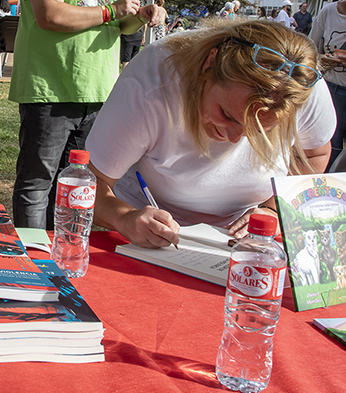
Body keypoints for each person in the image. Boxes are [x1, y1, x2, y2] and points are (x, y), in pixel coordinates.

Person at [85, 20, 335, 249]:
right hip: (148, 230)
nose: (234, 138)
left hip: (249, 237)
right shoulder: (153, 82)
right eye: (227, 115)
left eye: (259, 131)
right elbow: (89, 182)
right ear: (209, 65)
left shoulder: (300, 87)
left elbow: (315, 154)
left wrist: (273, 209)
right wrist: (124, 217)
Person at [8, 0, 166, 230]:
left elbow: (121, 25)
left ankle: (63, 249)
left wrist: (140, 16)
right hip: (50, 87)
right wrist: (111, 10)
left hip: (97, 91)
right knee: (37, 184)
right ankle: (35, 252)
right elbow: (49, 15)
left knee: (76, 186)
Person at [310, 0, 346, 171]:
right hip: (332, 91)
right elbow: (309, 49)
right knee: (331, 149)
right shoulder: (329, 12)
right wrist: (320, 60)